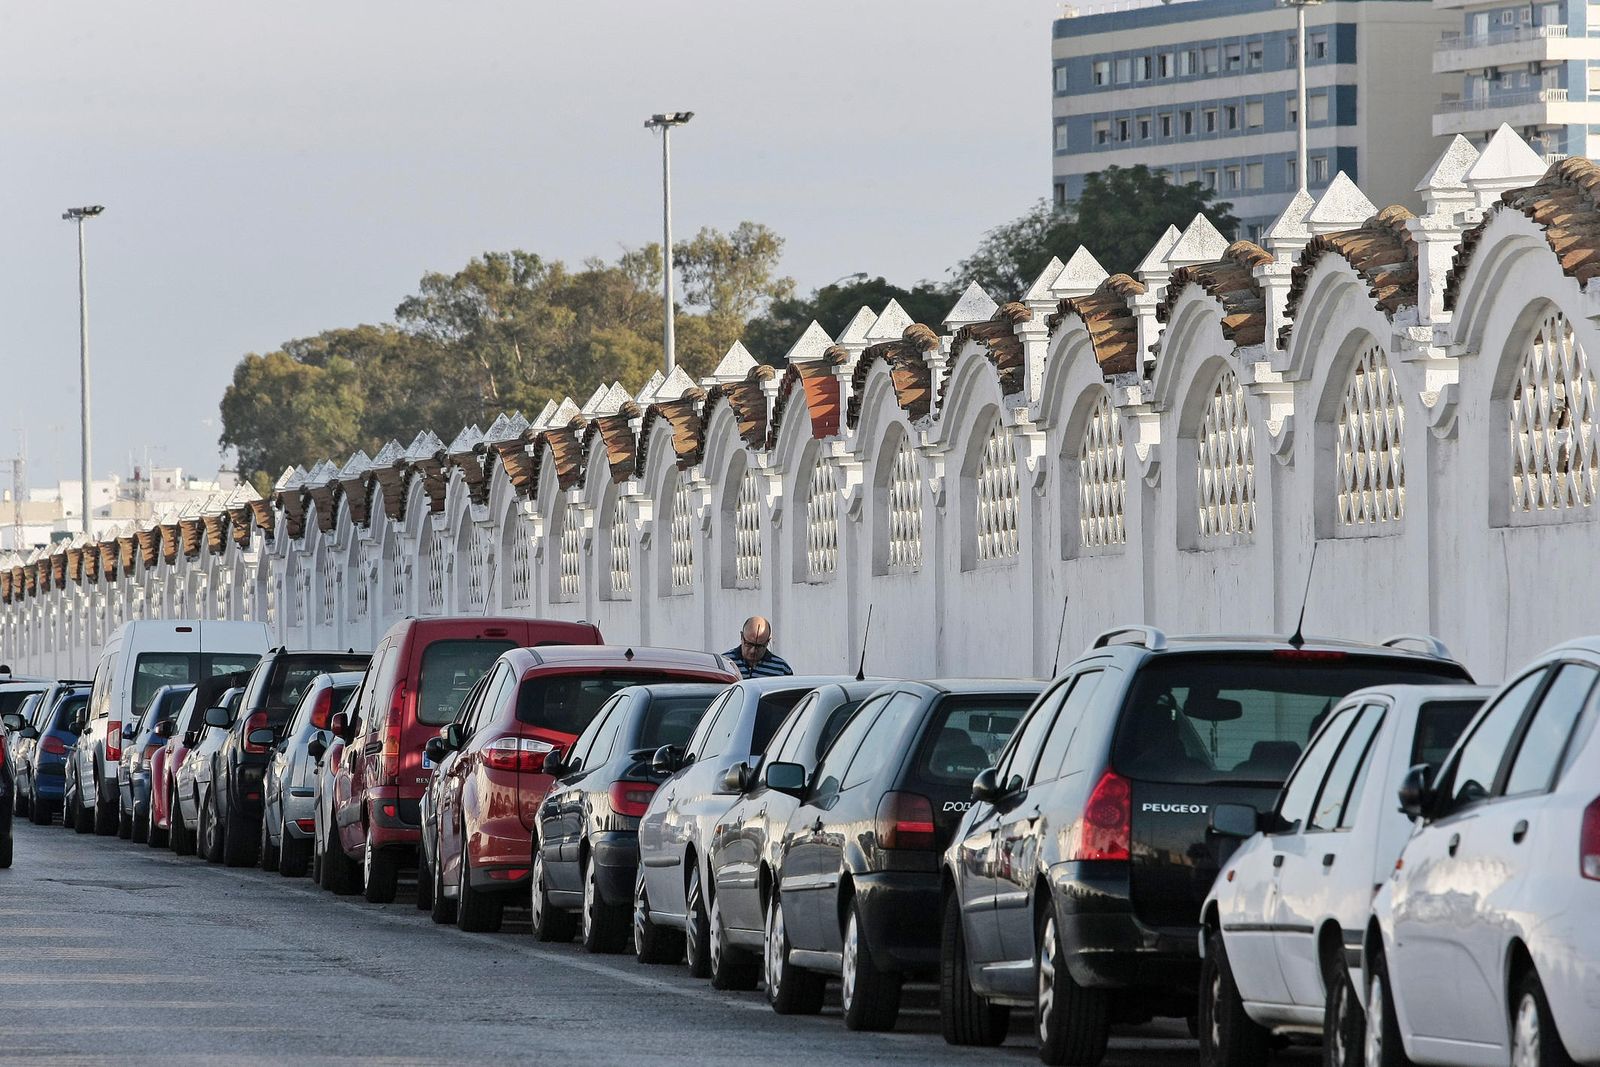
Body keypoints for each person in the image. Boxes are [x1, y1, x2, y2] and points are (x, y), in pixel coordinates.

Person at [724, 616, 792, 679]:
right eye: (749, 644)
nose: (753, 650)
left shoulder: (781, 669)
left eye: (759, 646)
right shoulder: (725, 664)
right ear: (742, 636)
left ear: (767, 641)